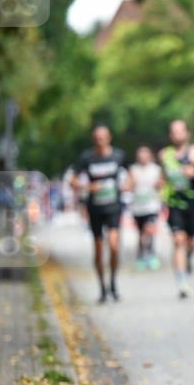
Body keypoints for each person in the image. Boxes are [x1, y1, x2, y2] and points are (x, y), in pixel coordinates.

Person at [71, 125, 128, 303]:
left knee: (113, 245)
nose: (100, 140)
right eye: (97, 137)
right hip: (95, 208)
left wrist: (127, 185)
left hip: (113, 207)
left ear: (109, 137)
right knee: (98, 249)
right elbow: (72, 180)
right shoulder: (87, 158)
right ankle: (102, 287)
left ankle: (113, 282)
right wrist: (87, 187)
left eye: (103, 137)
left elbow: (130, 175)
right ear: (93, 139)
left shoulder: (118, 156)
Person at [159, 119, 194, 299]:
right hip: (174, 204)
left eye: (180, 131)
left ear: (187, 133)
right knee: (178, 240)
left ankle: (189, 257)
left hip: (193, 204)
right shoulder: (165, 155)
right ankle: (182, 282)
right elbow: (163, 177)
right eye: (173, 132)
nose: (176, 135)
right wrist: (159, 185)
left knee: (189, 242)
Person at [129, 145, 163, 271]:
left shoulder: (156, 169)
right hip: (137, 207)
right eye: (140, 154)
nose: (143, 157)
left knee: (149, 230)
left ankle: (151, 254)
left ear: (150, 155)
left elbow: (161, 184)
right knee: (141, 233)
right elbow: (129, 185)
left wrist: (159, 185)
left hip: (152, 206)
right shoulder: (133, 169)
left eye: (145, 154)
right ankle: (141, 254)